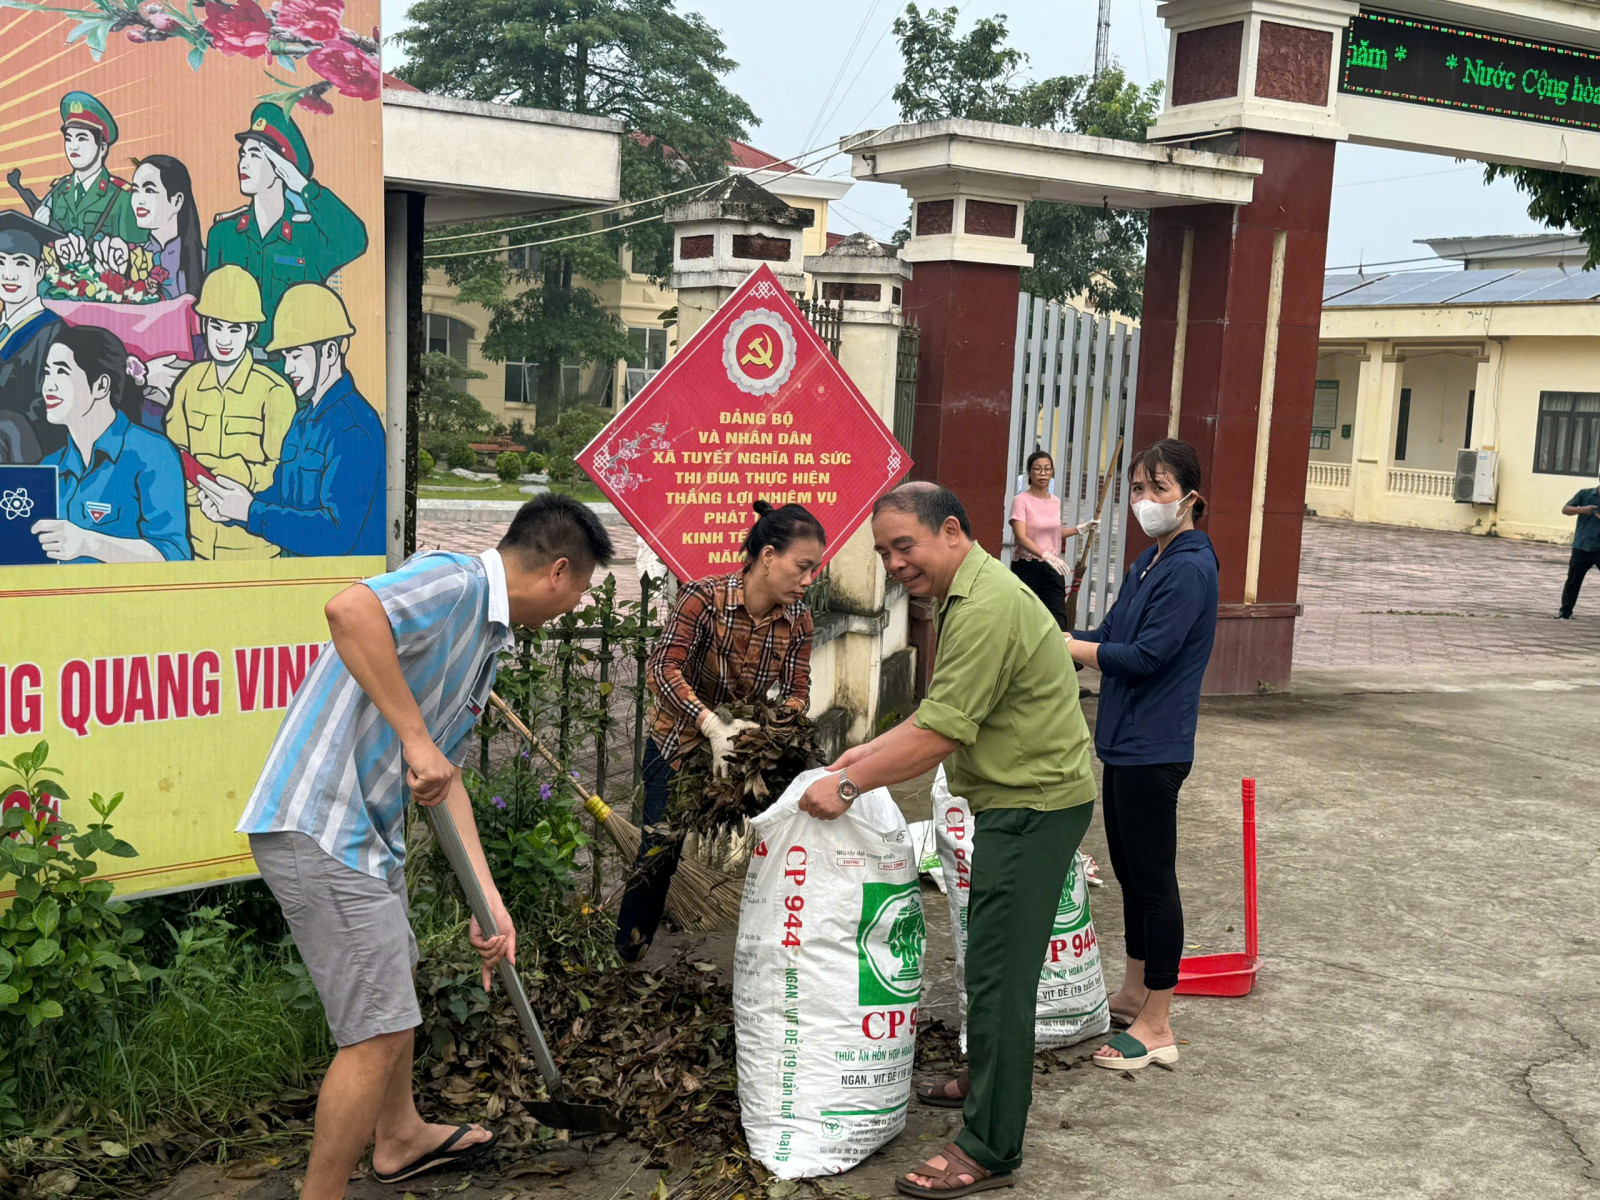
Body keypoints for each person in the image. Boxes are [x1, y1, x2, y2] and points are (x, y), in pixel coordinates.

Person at [238, 495, 614, 1200]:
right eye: (584, 590)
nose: (577, 607)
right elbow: (349, 611)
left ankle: (400, 1135)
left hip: (365, 835)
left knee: (394, 988)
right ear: (559, 571)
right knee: (377, 1030)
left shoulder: (486, 641)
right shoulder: (456, 581)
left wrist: (488, 900)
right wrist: (414, 739)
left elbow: (444, 777)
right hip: (321, 821)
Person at [797, 482, 1096, 1199]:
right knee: (990, 958)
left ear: (952, 531)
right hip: (1015, 803)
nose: (896, 563)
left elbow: (940, 733)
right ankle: (986, 1078)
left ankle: (990, 1146)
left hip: (1033, 807)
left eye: (906, 545)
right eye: (884, 552)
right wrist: (857, 758)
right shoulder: (970, 593)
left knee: (999, 977)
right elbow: (938, 711)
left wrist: (846, 788)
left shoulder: (986, 605)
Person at [1064, 438, 1218, 1072]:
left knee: (1155, 880)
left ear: (1190, 498)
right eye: (1136, 489)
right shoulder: (1150, 561)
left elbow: (1147, 656)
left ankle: (1159, 1022)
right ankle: (1134, 990)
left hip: (1155, 746)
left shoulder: (1188, 567)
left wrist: (1071, 651)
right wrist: (1065, 637)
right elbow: (1113, 635)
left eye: (1158, 489)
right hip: (1124, 742)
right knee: (1129, 871)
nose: (1144, 501)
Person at [616, 501, 826, 962]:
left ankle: (780, 955)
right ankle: (628, 957)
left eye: (814, 570)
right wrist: (709, 723)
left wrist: (767, 729)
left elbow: (797, 690)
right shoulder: (703, 599)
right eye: (803, 567)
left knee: (789, 839)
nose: (809, 580)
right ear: (768, 556)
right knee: (658, 854)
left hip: (746, 751)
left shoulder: (799, 620)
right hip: (677, 744)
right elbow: (662, 668)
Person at [195, 282, 384, 557]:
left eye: (296, 355)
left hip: (342, 588)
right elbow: (284, 498)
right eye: (285, 356)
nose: (288, 368)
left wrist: (250, 511)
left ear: (330, 352)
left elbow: (336, 532)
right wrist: (234, 506)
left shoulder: (353, 428)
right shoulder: (302, 421)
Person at [207, 103, 368, 350]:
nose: (243, 163)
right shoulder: (223, 234)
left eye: (255, 155)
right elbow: (210, 309)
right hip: (234, 371)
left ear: (282, 166)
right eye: (243, 154)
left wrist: (304, 186)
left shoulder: (306, 237)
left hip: (291, 372)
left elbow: (355, 239)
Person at [164, 266, 296, 558]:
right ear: (205, 326)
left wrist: (241, 475)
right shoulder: (188, 382)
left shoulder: (274, 391)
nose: (224, 339)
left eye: (235, 329)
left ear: (251, 331)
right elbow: (173, 455)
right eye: (217, 326)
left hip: (254, 549)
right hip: (195, 541)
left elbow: (285, 471)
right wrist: (196, 492)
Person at [30, 325, 190, 563]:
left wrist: (88, 543)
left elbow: (175, 557)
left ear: (101, 386)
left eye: (62, 372)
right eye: (47, 373)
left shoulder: (153, 453)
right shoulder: (49, 467)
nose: (49, 386)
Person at [31, 92, 142, 244]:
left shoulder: (121, 197)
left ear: (102, 148)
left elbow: (137, 258)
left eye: (82, 138)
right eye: (69, 139)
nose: (73, 146)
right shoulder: (58, 192)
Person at [1008, 449, 1098, 630]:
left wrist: (1079, 529)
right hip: (1027, 566)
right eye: (1038, 469)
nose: (1043, 474)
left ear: (1052, 472)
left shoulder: (1055, 501)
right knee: (1026, 618)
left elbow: (1053, 532)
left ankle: (1058, 655)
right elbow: (1021, 536)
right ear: (1030, 472)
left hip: (1052, 566)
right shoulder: (1021, 500)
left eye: (1047, 469)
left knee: (1057, 619)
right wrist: (1045, 554)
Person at [0, 211, 61, 462]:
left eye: (21, 263)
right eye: (0, 262)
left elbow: (47, 414)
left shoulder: (54, 333)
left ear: (39, 271)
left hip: (24, 457)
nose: (9, 274)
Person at [130, 155, 206, 301]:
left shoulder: (204, 261)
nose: (139, 200)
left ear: (177, 201)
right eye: (135, 190)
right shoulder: (131, 257)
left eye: (149, 190)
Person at [1557, 479, 1599, 619]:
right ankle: (1565, 612)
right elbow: (1566, 509)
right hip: (1582, 546)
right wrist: (1583, 510)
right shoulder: (1585, 494)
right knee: (1573, 581)